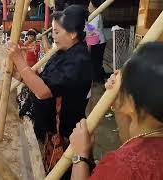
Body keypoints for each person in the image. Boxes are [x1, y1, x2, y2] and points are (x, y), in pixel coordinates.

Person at [70, 42, 163, 180]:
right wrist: (118, 103)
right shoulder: (152, 130)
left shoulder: (123, 167)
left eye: (124, 82)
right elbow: (131, 139)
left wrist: (79, 157)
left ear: (131, 101)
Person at [9, 5, 92, 142]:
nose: (53, 36)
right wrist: (17, 74)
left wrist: (19, 61)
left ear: (73, 34)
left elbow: (43, 92)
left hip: (64, 129)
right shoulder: (63, 51)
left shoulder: (79, 61)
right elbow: (42, 81)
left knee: (58, 161)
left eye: (57, 32)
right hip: (50, 123)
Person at [88, 0, 107, 83]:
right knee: (97, 61)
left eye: (90, 4)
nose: (88, 6)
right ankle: (100, 76)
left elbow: (92, 30)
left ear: (94, 6)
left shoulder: (96, 15)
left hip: (97, 42)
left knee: (96, 61)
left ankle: (99, 79)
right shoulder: (95, 14)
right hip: (97, 41)